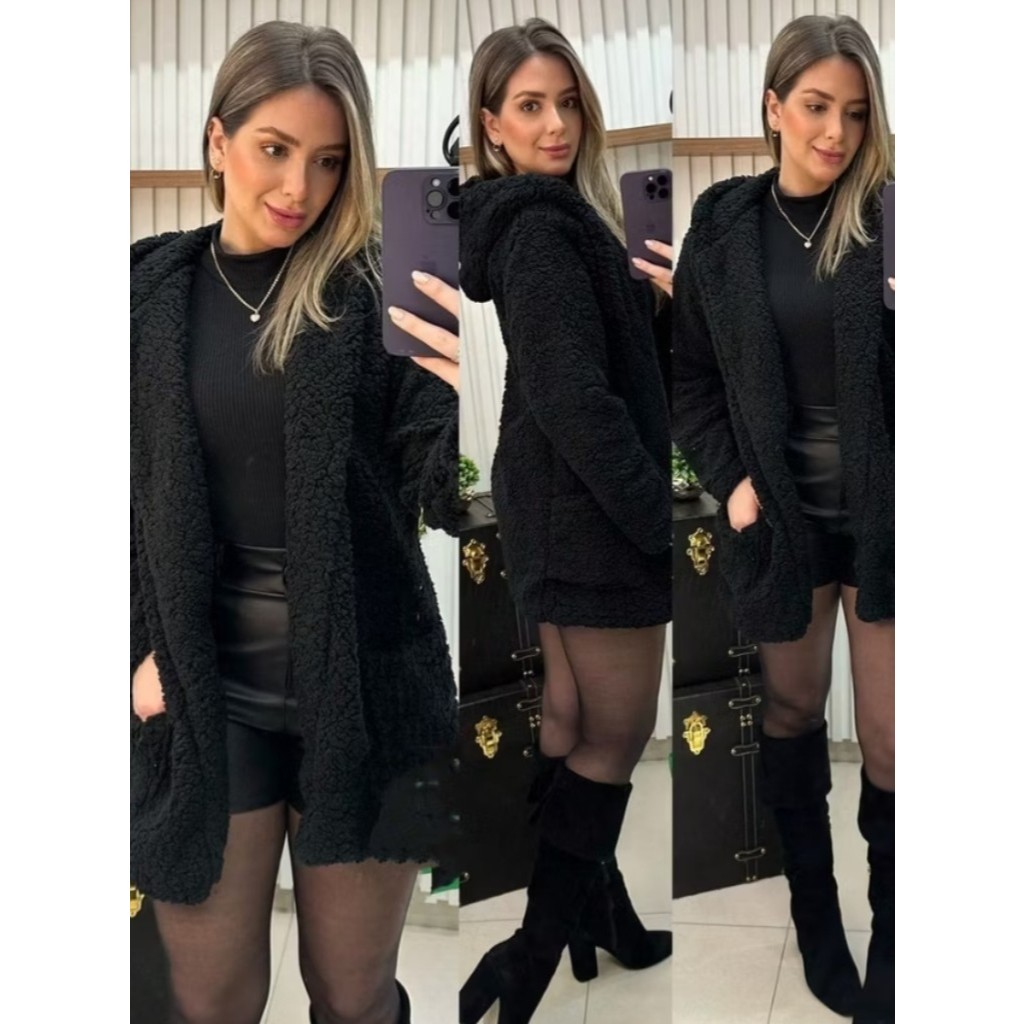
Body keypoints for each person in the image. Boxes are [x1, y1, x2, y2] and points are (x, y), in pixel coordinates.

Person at [130, 21, 460, 1024]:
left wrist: (474, 390)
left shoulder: (377, 294)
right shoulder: (144, 291)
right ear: (218, 138)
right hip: (203, 697)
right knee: (210, 1001)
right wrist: (129, 652)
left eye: (328, 161)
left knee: (355, 999)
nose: (299, 187)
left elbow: (445, 494)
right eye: (274, 149)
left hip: (367, 691)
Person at [672, 14, 894, 1024]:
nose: (834, 131)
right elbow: (688, 377)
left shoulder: (893, 217)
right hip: (782, 525)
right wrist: (731, 482)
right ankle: (816, 918)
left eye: (854, 112)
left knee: (893, 743)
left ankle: (897, 934)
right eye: (814, 106)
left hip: (888, 522)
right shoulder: (723, 226)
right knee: (794, 714)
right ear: (772, 106)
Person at [458, 18, 672, 1024]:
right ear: (491, 126)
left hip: (552, 504)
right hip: (591, 513)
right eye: (529, 106)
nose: (555, 124)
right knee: (615, 739)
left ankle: (602, 919)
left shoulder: (548, 220)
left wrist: (657, 303)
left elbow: (588, 366)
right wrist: (654, 517)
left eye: (567, 102)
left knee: (573, 724)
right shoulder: (545, 229)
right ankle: (528, 962)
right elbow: (575, 397)